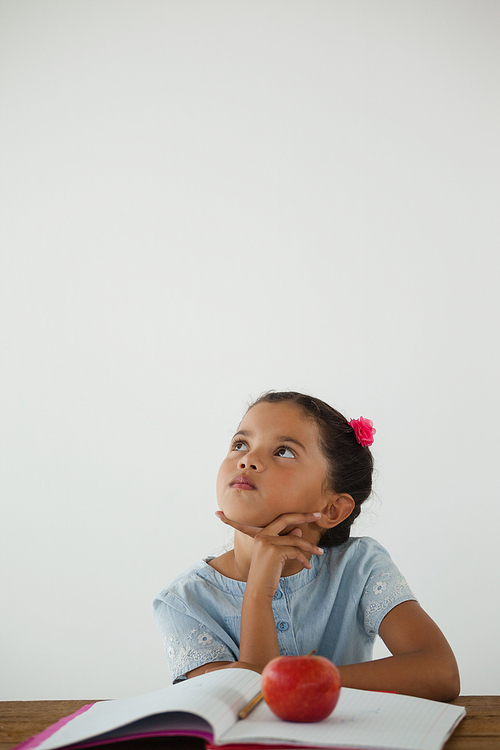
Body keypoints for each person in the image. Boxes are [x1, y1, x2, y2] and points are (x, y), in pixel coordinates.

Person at [153, 391, 460, 701]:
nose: (247, 460)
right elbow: (250, 705)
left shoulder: (360, 566)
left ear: (332, 510)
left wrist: (306, 679)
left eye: (284, 452)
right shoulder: (183, 602)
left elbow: (441, 673)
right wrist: (258, 592)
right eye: (240, 444)